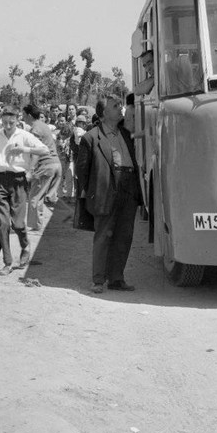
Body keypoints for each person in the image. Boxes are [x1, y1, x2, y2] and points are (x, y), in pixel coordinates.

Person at [76, 94, 142, 293]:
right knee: (103, 236)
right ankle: (98, 280)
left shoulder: (126, 134)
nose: (121, 108)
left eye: (120, 105)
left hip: (128, 188)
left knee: (124, 236)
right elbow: (82, 171)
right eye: (115, 106)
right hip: (105, 191)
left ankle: (116, 279)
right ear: (103, 113)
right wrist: (92, 194)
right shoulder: (91, 137)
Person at [0, 106, 48, 276]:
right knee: (3, 224)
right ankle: (7, 262)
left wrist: (24, 150)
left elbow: (44, 150)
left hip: (19, 181)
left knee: (18, 224)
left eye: (11, 122)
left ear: (17, 120)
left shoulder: (24, 135)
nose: (8, 125)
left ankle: (25, 245)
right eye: (5, 122)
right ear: (1, 120)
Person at [22, 103, 63, 228]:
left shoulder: (35, 129)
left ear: (29, 115)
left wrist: (30, 170)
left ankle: (36, 225)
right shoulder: (43, 125)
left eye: (23, 114)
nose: (22, 117)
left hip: (45, 166)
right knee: (46, 197)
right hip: (55, 164)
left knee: (35, 197)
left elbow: (36, 152)